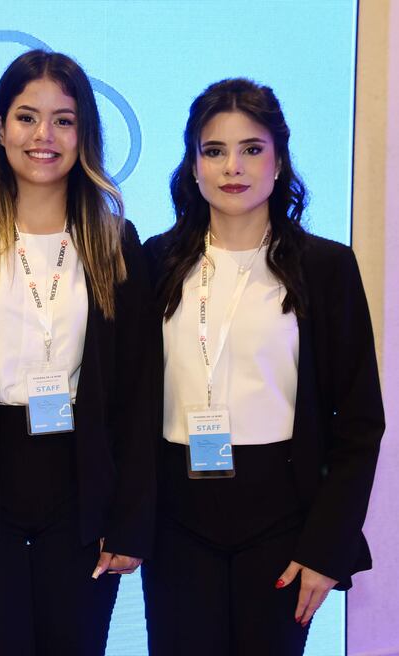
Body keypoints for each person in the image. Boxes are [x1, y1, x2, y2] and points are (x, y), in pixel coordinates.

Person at [0, 49, 156, 655]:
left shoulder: (115, 242)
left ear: (83, 134)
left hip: (82, 498)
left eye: (63, 120)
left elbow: (140, 396)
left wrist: (128, 520)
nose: (44, 136)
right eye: (26, 117)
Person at [140, 78, 384, 655]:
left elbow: (358, 425)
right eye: (214, 150)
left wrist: (326, 550)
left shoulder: (326, 267)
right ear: (193, 165)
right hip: (177, 519)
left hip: (283, 521)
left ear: (279, 161)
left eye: (252, 149)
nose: (233, 167)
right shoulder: (155, 261)